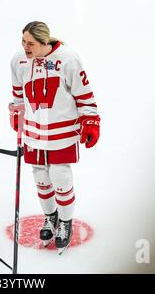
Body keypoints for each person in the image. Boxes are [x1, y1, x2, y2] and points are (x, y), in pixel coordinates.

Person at [9, 21, 101, 254]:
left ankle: (66, 222)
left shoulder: (68, 59)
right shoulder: (19, 60)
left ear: (43, 42)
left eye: (30, 43)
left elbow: (85, 96)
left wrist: (90, 120)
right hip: (33, 133)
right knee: (41, 177)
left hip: (61, 132)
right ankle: (51, 217)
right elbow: (18, 94)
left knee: (60, 177)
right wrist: (16, 112)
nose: (25, 47)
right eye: (23, 41)